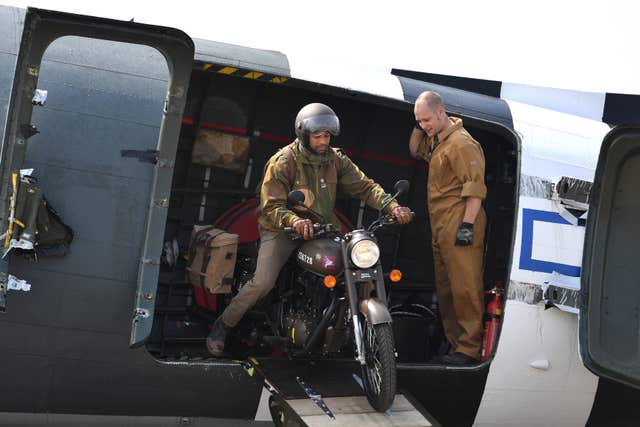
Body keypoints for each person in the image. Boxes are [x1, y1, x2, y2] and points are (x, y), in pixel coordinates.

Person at [207, 102, 412, 356]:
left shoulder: (336, 160)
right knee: (262, 282)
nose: (323, 141)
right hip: (282, 231)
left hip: (323, 229)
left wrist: (392, 206)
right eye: (318, 136)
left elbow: (365, 187)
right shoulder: (283, 161)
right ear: (304, 135)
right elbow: (270, 205)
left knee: (357, 267)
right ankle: (223, 326)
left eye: (327, 135)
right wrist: (294, 221)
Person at [409, 91, 487, 365]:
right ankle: (456, 345)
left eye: (427, 119)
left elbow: (475, 189)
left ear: (442, 111)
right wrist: (421, 126)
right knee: (446, 289)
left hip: (461, 221)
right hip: (441, 225)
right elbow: (414, 150)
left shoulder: (462, 144)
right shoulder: (437, 141)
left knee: (465, 287)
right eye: (419, 121)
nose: (423, 126)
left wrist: (467, 226)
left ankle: (469, 348)